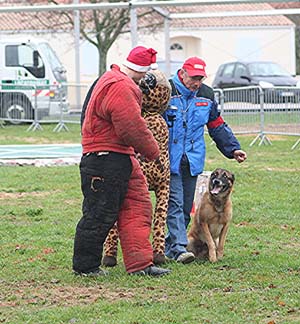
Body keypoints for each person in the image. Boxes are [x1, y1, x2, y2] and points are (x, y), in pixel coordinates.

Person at [72, 46, 171, 277]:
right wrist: (153, 151)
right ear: (144, 72)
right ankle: (85, 266)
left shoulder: (112, 79)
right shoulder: (121, 86)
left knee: (138, 206)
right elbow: (131, 126)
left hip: (119, 156)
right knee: (100, 213)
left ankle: (140, 264)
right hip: (105, 159)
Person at [163, 57, 247, 264]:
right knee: (174, 203)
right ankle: (180, 247)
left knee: (184, 207)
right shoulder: (167, 91)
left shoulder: (207, 95)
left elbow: (217, 125)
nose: (197, 83)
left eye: (201, 78)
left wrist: (233, 149)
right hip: (168, 158)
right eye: (194, 78)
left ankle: (170, 246)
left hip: (192, 159)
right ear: (182, 73)